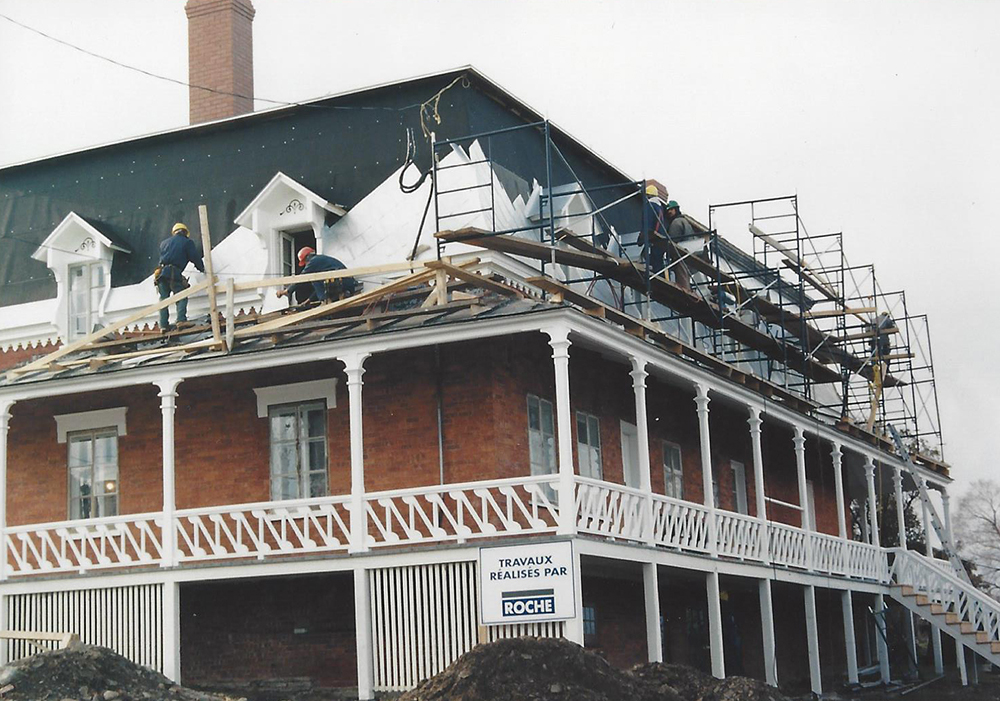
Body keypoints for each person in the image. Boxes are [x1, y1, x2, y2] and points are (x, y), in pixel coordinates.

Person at [156, 222, 205, 331]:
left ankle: (163, 325)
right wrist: (202, 268)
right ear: (185, 232)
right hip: (173, 272)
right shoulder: (187, 242)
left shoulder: (164, 243)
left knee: (164, 299)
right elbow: (194, 257)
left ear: (174, 232)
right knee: (182, 295)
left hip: (161, 274)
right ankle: (181, 320)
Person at [276, 247, 357, 304]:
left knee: (314, 278)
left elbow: (302, 277)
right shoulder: (320, 260)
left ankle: (325, 301)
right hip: (347, 283)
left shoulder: (313, 261)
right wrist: (309, 300)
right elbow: (320, 287)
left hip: (342, 282)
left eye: (305, 263)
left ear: (307, 258)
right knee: (318, 278)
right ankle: (329, 299)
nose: (306, 265)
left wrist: (287, 291)